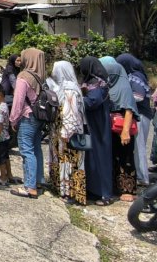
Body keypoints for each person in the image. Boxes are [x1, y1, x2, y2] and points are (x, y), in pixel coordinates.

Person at [47, 60, 87, 205]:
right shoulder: (60, 87)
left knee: (69, 162)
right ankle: (61, 188)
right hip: (59, 131)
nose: (53, 73)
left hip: (68, 133)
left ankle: (70, 192)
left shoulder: (70, 89)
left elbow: (72, 113)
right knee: (62, 161)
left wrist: (67, 132)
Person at [100, 56, 139, 202]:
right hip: (110, 128)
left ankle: (128, 189)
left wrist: (125, 132)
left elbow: (129, 110)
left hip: (122, 128)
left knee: (125, 158)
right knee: (113, 157)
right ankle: (115, 186)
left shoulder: (123, 88)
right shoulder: (108, 85)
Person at [9, 48, 47, 199]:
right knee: (36, 148)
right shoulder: (40, 76)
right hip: (39, 117)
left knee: (26, 150)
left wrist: (13, 119)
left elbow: (18, 101)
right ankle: (38, 181)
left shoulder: (23, 76)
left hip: (27, 116)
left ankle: (29, 187)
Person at [79, 57, 114, 206]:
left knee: (100, 157)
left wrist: (77, 99)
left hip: (98, 124)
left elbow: (93, 101)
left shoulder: (97, 83)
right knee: (92, 158)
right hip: (94, 123)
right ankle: (94, 190)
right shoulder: (97, 81)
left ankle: (105, 194)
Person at [116, 53, 153, 188]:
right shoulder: (134, 75)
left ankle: (143, 177)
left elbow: (138, 96)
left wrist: (123, 99)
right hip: (140, 114)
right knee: (137, 147)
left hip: (140, 115)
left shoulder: (135, 77)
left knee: (139, 146)